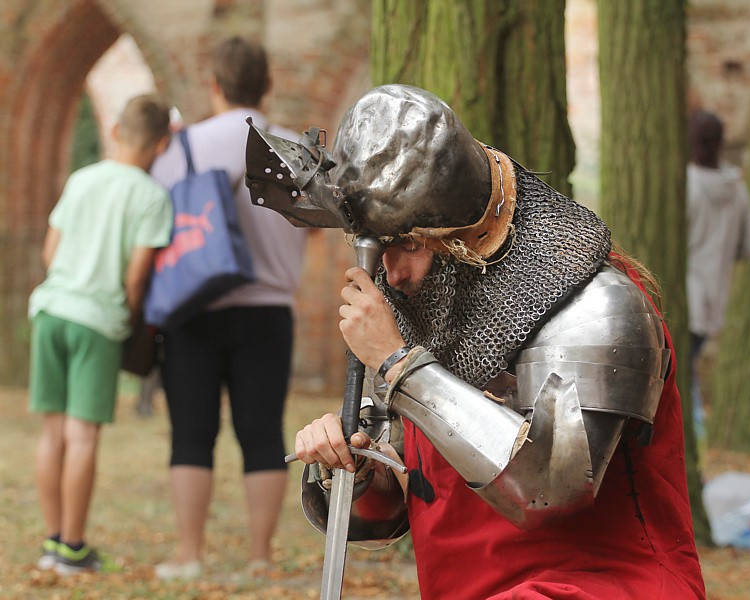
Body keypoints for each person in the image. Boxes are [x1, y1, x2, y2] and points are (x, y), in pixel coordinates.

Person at [284, 85, 705, 598]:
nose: (391, 274)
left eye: (409, 244)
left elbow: (548, 487)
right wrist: (358, 470)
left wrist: (398, 365)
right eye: (376, 245)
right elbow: (411, 504)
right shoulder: (429, 310)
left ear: (467, 231)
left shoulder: (598, 306)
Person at [150, 37, 307, 579]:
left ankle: (189, 555)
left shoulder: (180, 147)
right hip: (269, 310)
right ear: (267, 85)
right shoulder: (294, 150)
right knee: (262, 430)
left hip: (194, 306)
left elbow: (156, 221)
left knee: (191, 433)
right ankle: (261, 557)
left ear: (213, 85)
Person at [28, 94, 173, 574]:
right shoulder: (152, 197)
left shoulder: (82, 178)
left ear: (114, 131)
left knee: (52, 431)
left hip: (51, 309)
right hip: (97, 320)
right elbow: (136, 277)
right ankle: (74, 546)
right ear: (162, 142)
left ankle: (52, 542)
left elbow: (52, 251)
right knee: (83, 435)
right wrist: (128, 321)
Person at [686, 110, 750, 438]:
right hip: (714, 297)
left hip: (680, 294)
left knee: (679, 373)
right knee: (687, 368)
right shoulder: (737, 189)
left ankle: (696, 433)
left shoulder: (685, 182)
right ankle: (696, 431)